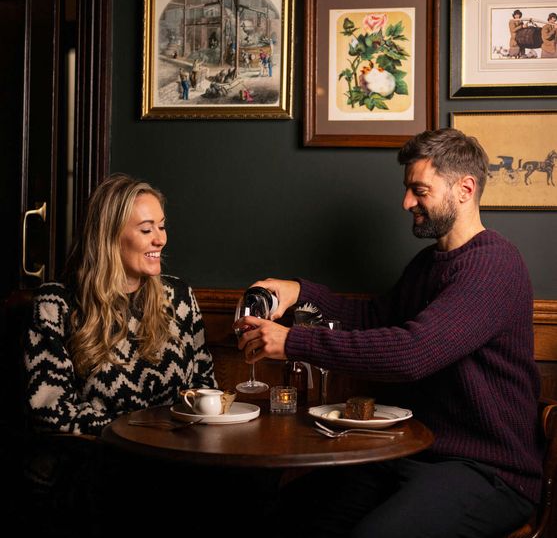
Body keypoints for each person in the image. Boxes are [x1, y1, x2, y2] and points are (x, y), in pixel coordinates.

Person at [236, 128, 543, 538]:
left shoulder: (493, 265)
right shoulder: (427, 264)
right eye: (407, 189)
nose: (406, 202)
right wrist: (301, 292)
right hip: (414, 452)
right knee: (285, 514)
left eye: (420, 190)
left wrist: (293, 342)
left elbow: (411, 353)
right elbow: (373, 318)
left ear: (465, 189)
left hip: (489, 472)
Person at [23, 174, 216, 533]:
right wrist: (138, 432)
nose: (161, 239)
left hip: (177, 464)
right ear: (109, 236)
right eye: (146, 229)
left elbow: (205, 386)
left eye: (161, 226)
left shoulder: (179, 297)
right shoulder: (57, 303)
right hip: (94, 471)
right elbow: (49, 411)